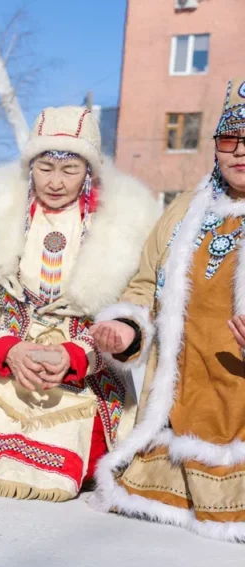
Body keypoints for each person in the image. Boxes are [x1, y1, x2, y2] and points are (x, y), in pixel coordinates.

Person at [0, 106, 160, 501]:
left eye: (70, 170)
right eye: (46, 167)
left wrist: (75, 356)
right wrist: (9, 350)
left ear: (90, 172)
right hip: (7, 365)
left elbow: (126, 317)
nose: (57, 182)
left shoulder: (120, 230)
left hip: (83, 372)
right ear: (31, 165)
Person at [90, 78, 245, 540]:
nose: (239, 151)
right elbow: (143, 285)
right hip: (175, 422)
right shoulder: (183, 211)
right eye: (229, 139)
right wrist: (126, 328)